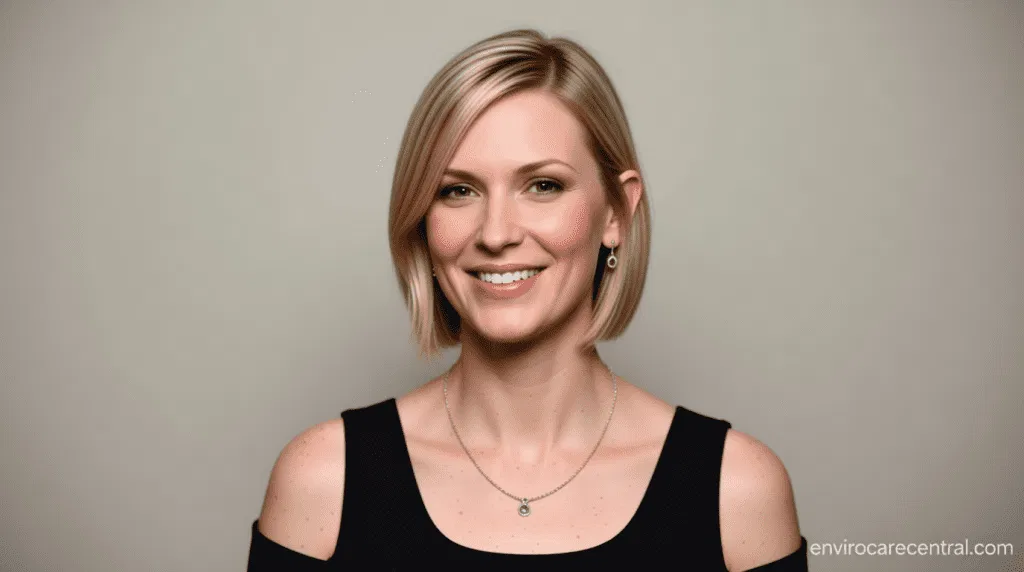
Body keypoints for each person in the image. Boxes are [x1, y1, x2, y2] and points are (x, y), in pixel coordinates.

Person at [247, 28, 808, 570]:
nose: (496, 234)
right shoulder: (323, 482)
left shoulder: (737, 492)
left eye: (543, 185)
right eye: (457, 190)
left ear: (617, 212)